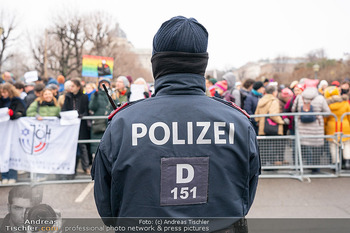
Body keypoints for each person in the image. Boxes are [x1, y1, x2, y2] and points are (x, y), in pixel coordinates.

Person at [92, 16, 260, 232]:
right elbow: (245, 198)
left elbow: (107, 210)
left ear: (156, 63)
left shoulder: (123, 124)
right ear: (202, 62)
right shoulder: (238, 124)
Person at [292, 85, 330, 173]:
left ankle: (302, 166)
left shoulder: (299, 97)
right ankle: (315, 167)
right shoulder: (320, 98)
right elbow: (327, 112)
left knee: (303, 146)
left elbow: (293, 110)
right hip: (317, 128)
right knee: (316, 148)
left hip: (302, 127)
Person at [61, 78, 90, 175]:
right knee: (71, 145)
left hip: (81, 124)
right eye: (70, 86)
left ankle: (85, 166)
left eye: (73, 86)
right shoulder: (68, 96)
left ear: (78, 87)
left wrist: (82, 115)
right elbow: (65, 109)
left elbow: (86, 109)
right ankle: (72, 168)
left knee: (82, 145)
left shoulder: (84, 97)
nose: (71, 88)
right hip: (70, 124)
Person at [0, 83, 26, 184]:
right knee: (2, 153)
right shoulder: (1, 100)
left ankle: (12, 176)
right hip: (2, 132)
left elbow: (21, 113)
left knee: (12, 152)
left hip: (13, 131)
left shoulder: (16, 100)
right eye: (1, 92)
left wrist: (13, 114)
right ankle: (4, 176)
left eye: (5, 92)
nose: (3, 94)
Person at [255, 85, 286, 165]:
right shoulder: (274, 101)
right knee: (273, 146)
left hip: (262, 128)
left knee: (265, 147)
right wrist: (281, 122)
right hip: (273, 127)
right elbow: (273, 114)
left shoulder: (261, 100)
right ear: (273, 92)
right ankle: (271, 164)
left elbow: (256, 116)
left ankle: (265, 163)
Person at [324, 86, 350, 169]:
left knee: (333, 146)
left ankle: (336, 163)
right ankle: (347, 162)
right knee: (347, 145)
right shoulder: (345, 102)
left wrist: (324, 129)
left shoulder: (327, 104)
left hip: (332, 127)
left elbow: (325, 118)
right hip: (345, 125)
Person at [89, 79, 117, 155]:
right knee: (97, 143)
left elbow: (116, 107)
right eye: (101, 83)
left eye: (105, 83)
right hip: (98, 122)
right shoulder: (96, 94)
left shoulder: (113, 94)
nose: (103, 85)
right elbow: (92, 107)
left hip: (109, 121)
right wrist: (95, 97)